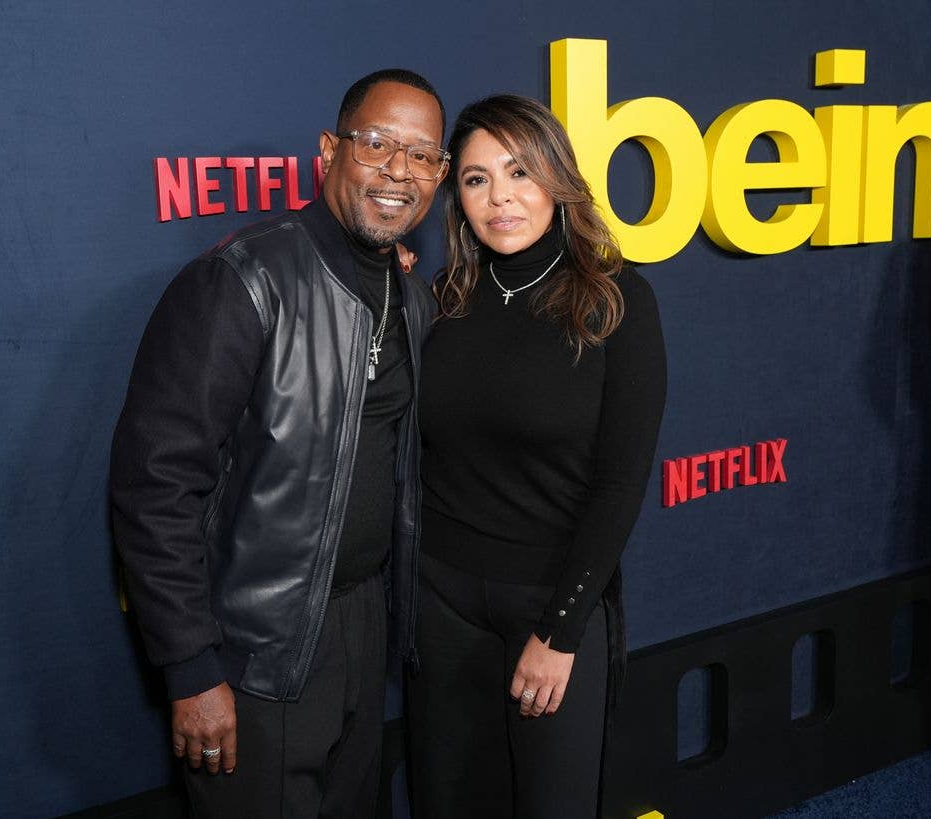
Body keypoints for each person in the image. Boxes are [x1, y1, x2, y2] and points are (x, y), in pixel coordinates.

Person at [110, 69, 448, 818]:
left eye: (423, 154)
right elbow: (156, 484)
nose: (400, 170)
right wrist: (191, 668)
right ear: (329, 151)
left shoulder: (411, 296)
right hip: (253, 649)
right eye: (377, 143)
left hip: (363, 625)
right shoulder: (243, 280)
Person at [407, 94, 667, 818]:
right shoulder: (444, 298)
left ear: (556, 177)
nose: (501, 198)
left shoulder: (616, 300)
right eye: (477, 178)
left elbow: (620, 484)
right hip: (441, 603)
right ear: (458, 198)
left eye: (519, 171)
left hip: (550, 604)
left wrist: (559, 630)